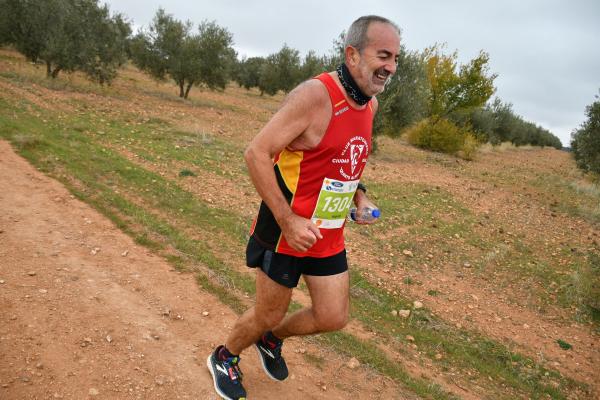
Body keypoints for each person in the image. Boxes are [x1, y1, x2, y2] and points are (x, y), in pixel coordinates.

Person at [207, 15, 401, 400]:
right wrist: (288, 219)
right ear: (352, 55)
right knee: (268, 312)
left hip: (327, 232)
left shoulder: (370, 106)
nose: (391, 67)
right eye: (383, 55)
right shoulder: (315, 96)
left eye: (396, 58)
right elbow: (257, 153)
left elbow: (344, 157)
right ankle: (225, 356)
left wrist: (358, 195)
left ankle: (271, 340)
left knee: (332, 316)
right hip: (284, 230)